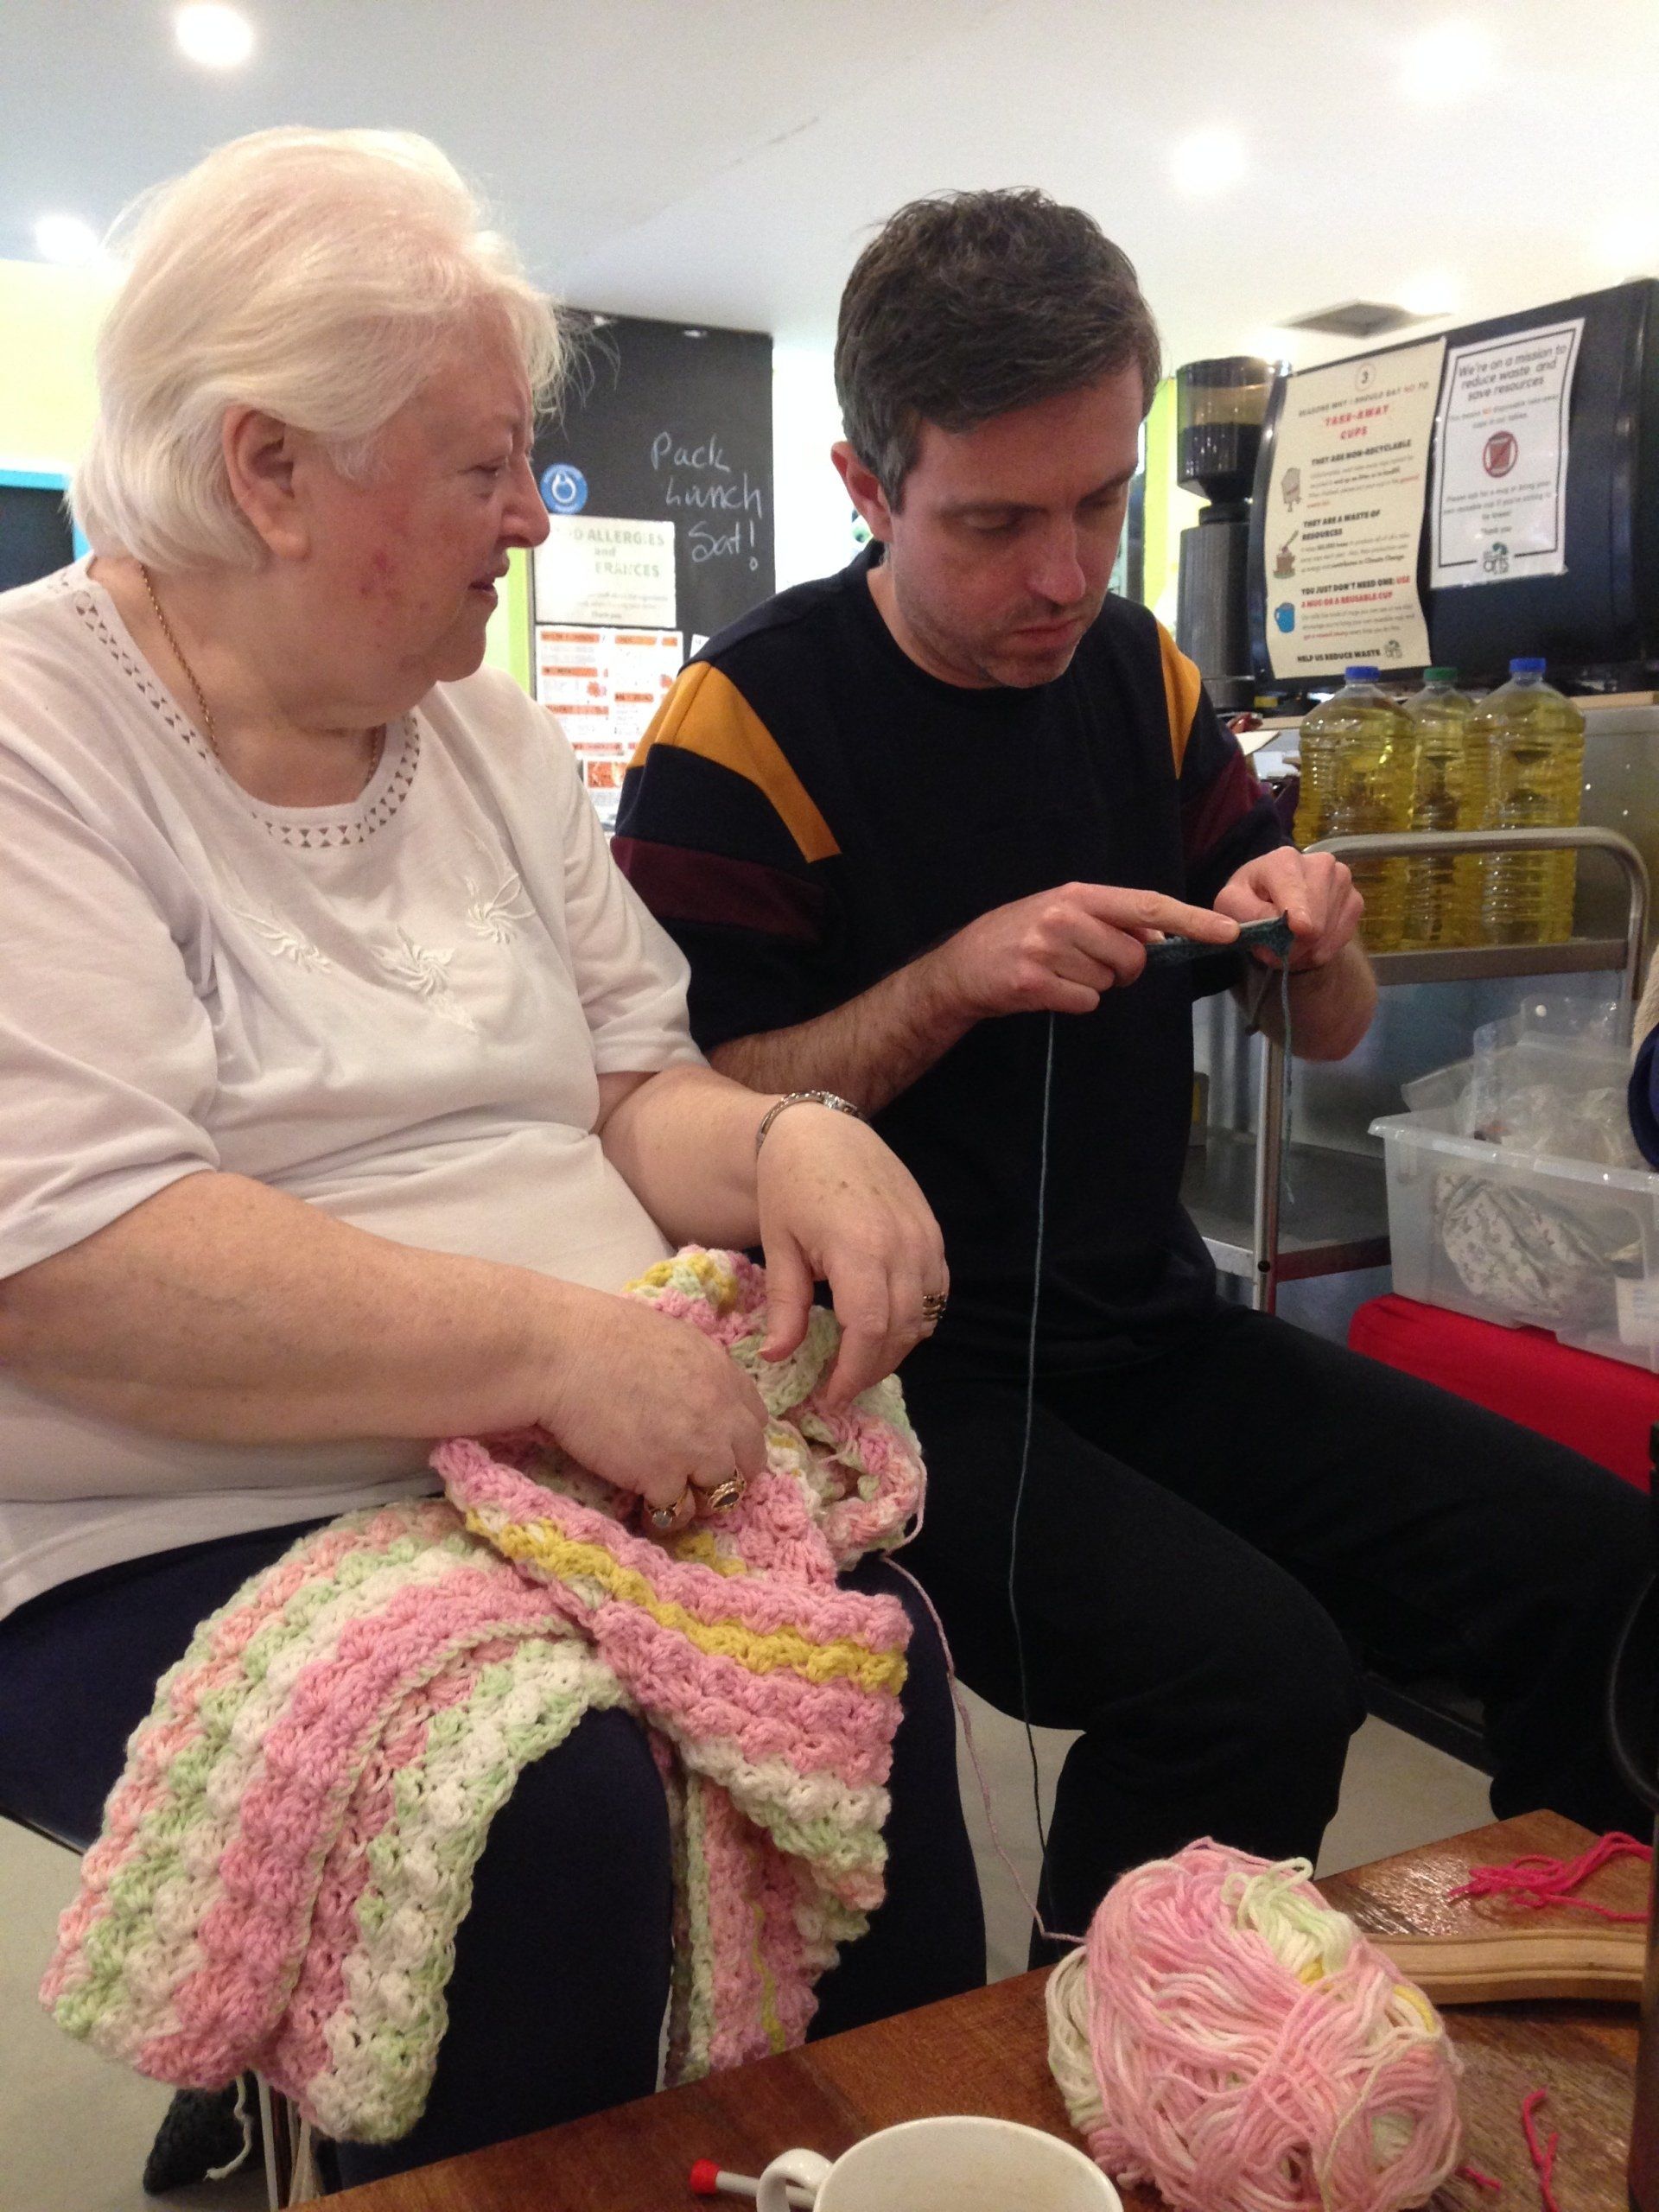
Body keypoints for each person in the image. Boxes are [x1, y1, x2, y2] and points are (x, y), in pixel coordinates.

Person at [0, 130, 983, 2186]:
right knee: (535, 1810)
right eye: (485, 467)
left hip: (545, 1449)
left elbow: (633, 1087)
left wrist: (789, 1138)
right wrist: (554, 1349)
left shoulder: (492, 737)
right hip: (152, 1510)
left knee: (868, 1652)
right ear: (270, 469)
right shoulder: (36, 737)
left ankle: (852, 2158)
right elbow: (71, 1253)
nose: (536, 517)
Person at [614, 188, 1649, 1955]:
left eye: (1102, 502)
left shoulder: (1139, 675)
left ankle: (1560, 1975)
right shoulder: (747, 725)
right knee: (1255, 1679)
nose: (1065, 573)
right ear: (867, 487)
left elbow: (1326, 1028)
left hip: (1147, 1333)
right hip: (881, 1386)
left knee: (1603, 1566)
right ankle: (1111, 2050)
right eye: (995, 521)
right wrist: (948, 985)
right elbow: (671, 1115)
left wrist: (1315, 934)